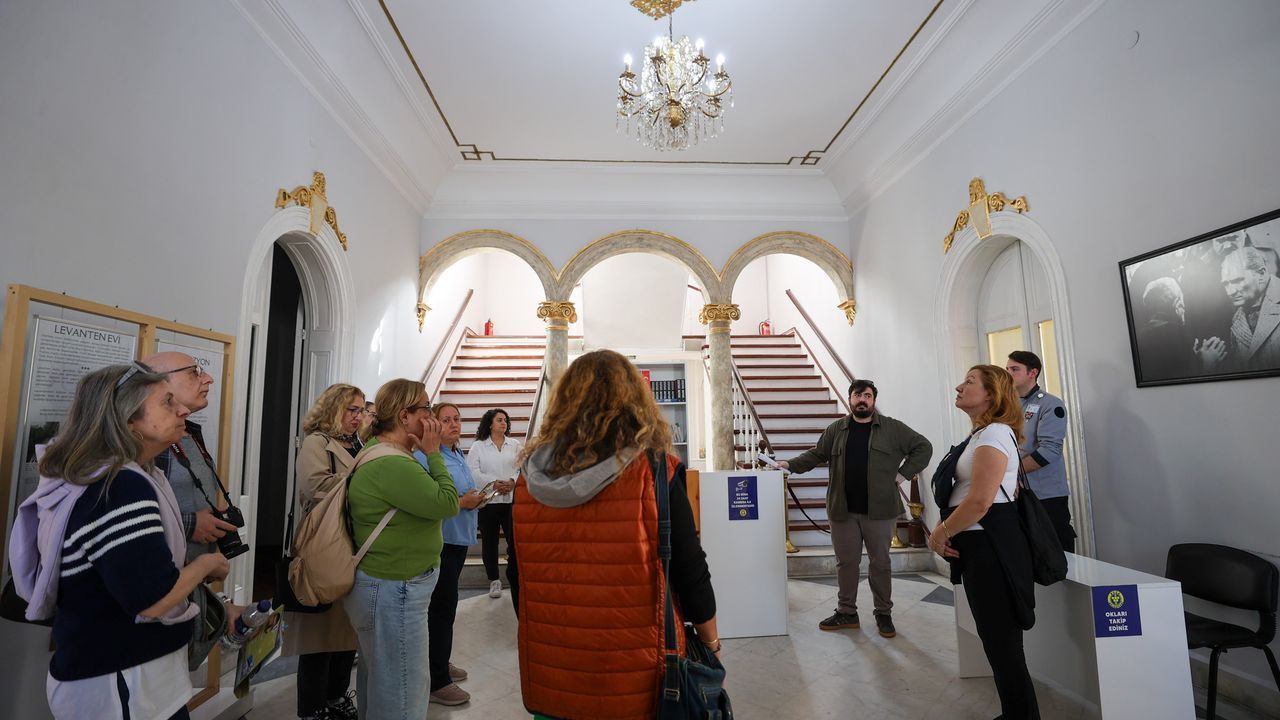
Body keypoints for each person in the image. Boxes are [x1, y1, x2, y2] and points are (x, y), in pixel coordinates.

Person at [8, 362, 230, 720]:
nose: (182, 410)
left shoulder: (115, 476)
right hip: (122, 682)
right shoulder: (119, 487)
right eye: (167, 402)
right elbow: (152, 600)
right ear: (128, 422)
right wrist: (206, 564)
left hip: (129, 676)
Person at [513, 350, 719, 720]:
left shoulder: (528, 482)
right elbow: (691, 571)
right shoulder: (655, 472)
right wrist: (711, 643)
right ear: (636, 403)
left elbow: (519, 576)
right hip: (637, 675)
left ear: (562, 404)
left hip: (553, 671)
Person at [777, 379, 932, 638]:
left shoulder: (893, 428)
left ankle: (883, 613)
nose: (862, 400)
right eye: (858, 395)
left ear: (873, 400)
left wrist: (903, 474)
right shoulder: (836, 429)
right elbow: (817, 454)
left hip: (880, 511)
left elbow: (923, 447)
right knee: (846, 563)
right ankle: (846, 612)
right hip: (843, 510)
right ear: (850, 399)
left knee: (880, 563)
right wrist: (789, 465)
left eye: (867, 396)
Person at [343, 379, 458, 720]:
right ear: (404, 416)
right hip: (396, 588)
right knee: (402, 695)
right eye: (426, 409)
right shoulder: (392, 463)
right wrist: (434, 454)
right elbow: (447, 502)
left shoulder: (385, 452)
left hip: (389, 585)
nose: (431, 417)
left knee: (384, 684)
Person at [929, 365, 1039, 719]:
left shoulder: (994, 434)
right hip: (979, 546)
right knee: (995, 642)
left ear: (991, 394)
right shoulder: (981, 434)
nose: (959, 387)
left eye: (970, 382)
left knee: (1003, 644)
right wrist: (947, 525)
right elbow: (967, 494)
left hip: (992, 548)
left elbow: (979, 502)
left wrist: (940, 533)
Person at [284, 383, 367, 720]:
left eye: (361, 410)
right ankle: (312, 708)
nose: (358, 417)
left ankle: (336, 697)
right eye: (351, 410)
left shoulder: (360, 443)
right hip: (323, 545)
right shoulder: (317, 442)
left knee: (346, 633)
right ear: (333, 409)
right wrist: (366, 485)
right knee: (318, 636)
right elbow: (315, 486)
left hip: (353, 546)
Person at [144, 352, 238, 563]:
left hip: (195, 574)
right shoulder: (150, 439)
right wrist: (190, 524)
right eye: (194, 373)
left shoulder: (189, 432)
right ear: (159, 382)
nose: (208, 379)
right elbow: (124, 513)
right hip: (167, 574)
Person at [423, 402, 485, 707]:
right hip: (442, 541)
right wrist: (463, 502)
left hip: (459, 539)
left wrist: (477, 498)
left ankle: (439, 661)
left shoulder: (457, 454)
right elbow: (431, 499)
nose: (453, 424)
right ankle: (436, 681)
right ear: (433, 424)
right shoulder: (426, 457)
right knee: (441, 609)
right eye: (445, 419)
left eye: (457, 419)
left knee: (446, 608)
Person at [1005, 351, 1075, 553]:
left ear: (1033, 373)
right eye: (1007, 369)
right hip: (1014, 493)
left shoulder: (1050, 404)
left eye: (1015, 369)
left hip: (1045, 494)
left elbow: (1050, 450)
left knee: (1053, 552)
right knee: (1023, 551)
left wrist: (1011, 471)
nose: (1009, 374)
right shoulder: (1007, 405)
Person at [466, 408, 521, 603]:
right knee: (490, 543)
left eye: (505, 420)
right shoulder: (478, 446)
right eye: (499, 420)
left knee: (515, 543)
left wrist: (512, 482)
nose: (503, 423)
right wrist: (493, 483)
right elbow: (473, 471)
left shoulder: (515, 445)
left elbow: (521, 467)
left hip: (510, 501)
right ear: (490, 423)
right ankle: (494, 580)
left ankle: (515, 576)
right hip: (488, 502)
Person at [1200, 247, 1280, 371]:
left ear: (1262, 274)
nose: (1230, 292)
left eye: (1237, 281)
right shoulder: (1237, 318)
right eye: (1226, 284)